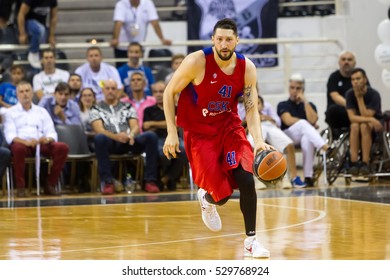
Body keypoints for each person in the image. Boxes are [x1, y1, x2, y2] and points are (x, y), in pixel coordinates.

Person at [163, 18, 272, 258]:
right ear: (213, 39)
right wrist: (172, 132)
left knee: (246, 178)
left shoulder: (247, 68)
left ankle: (251, 241)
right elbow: (169, 92)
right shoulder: (196, 61)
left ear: (237, 41)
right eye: (220, 39)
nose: (224, 44)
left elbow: (251, 108)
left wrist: (259, 139)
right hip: (199, 133)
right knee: (221, 197)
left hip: (228, 127)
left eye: (229, 39)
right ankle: (207, 198)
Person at [89, 79, 160, 194]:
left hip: (128, 141)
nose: (110, 91)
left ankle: (150, 180)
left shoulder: (127, 106)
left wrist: (131, 135)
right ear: (103, 91)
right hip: (110, 142)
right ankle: (107, 182)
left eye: (113, 88)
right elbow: (99, 130)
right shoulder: (96, 108)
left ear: (117, 91)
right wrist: (116, 136)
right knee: (99, 138)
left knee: (150, 136)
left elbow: (135, 126)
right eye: (107, 89)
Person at [3, 81, 69, 197]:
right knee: (18, 148)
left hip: (41, 142)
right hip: (22, 143)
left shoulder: (42, 111)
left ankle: (50, 183)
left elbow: (52, 132)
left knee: (62, 148)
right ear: (17, 95)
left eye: (27, 91)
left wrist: (47, 139)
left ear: (32, 93)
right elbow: (10, 136)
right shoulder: (10, 112)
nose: (25, 94)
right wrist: (26, 142)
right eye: (21, 92)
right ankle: (20, 186)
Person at [238, 95, 306, 189]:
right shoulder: (243, 113)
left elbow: (278, 122)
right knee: (252, 146)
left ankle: (289, 178)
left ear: (262, 105)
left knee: (288, 144)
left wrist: (267, 118)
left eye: (258, 103)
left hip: (269, 126)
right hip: (254, 130)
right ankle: (257, 179)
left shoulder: (267, 111)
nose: (256, 105)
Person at [277, 73, 331, 187]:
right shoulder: (283, 104)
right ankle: (324, 147)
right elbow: (287, 120)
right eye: (292, 88)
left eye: (298, 88)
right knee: (303, 123)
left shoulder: (309, 105)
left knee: (307, 138)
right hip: (288, 136)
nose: (294, 91)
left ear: (303, 90)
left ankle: (308, 177)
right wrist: (307, 124)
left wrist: (305, 101)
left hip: (303, 137)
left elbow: (314, 119)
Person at [143, 81, 187, 191]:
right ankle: (170, 179)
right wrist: (169, 123)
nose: (158, 94)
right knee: (162, 154)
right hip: (157, 140)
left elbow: (178, 123)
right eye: (155, 92)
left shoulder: (176, 107)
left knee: (185, 152)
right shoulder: (148, 110)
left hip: (175, 138)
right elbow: (145, 126)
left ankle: (165, 179)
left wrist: (154, 123)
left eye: (161, 91)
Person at [110, 0, 172, 67]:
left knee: (139, 68)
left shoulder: (148, 3)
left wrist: (162, 39)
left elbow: (155, 22)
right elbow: (118, 23)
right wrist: (115, 38)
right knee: (122, 69)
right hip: (123, 46)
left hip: (139, 46)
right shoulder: (121, 4)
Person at [346, 68, 383, 176]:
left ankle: (365, 162)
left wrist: (359, 98)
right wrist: (370, 119)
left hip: (375, 125)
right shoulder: (349, 94)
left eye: (358, 79)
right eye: (353, 79)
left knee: (364, 126)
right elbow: (352, 117)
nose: (355, 82)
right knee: (355, 126)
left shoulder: (374, 94)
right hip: (363, 122)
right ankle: (353, 162)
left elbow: (367, 114)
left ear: (365, 80)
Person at [17, 0, 58, 69]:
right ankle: (33, 52)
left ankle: (38, 56)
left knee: (43, 32)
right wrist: (22, 33)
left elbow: (53, 17)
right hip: (28, 23)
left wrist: (51, 35)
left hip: (42, 26)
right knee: (39, 30)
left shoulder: (52, 1)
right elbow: (21, 14)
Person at [325, 51, 356, 138]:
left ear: (354, 63)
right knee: (333, 110)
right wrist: (351, 106)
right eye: (343, 59)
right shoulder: (334, 77)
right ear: (339, 62)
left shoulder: (359, 76)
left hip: (356, 113)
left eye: (349, 59)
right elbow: (335, 96)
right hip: (339, 112)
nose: (346, 62)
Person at [78, 87, 96, 151]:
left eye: (89, 95)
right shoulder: (76, 113)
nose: (87, 98)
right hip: (79, 140)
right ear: (80, 98)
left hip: (94, 140)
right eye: (84, 95)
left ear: (94, 98)